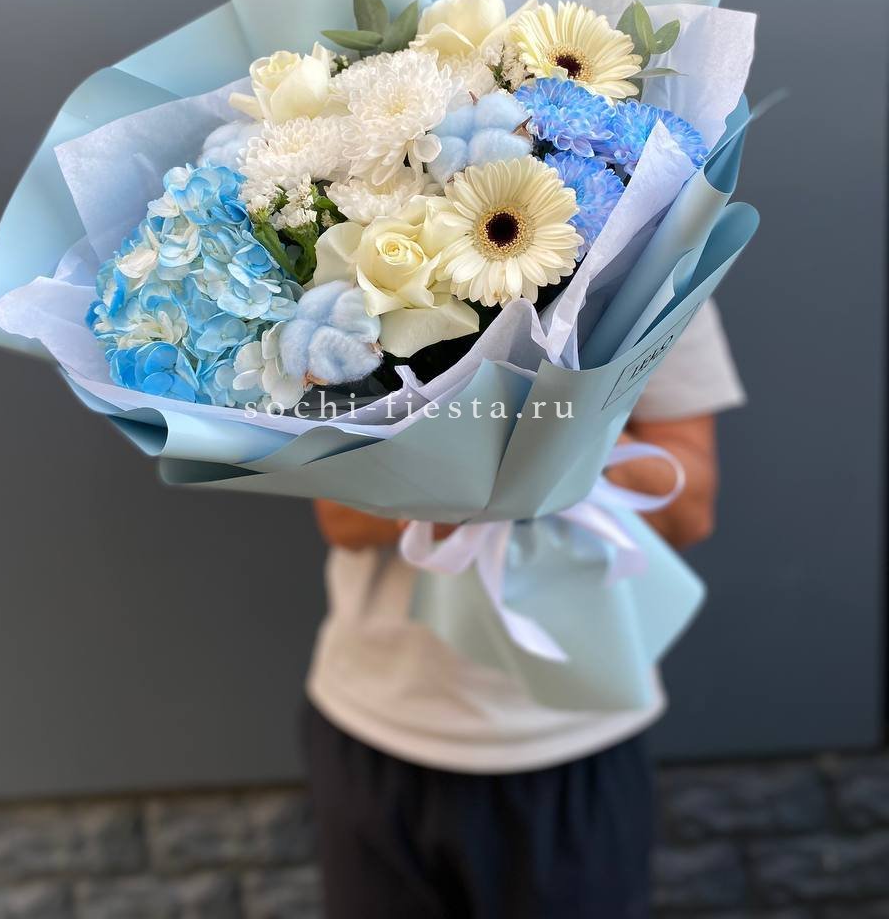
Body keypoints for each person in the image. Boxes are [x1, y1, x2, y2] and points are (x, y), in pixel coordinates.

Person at [304, 300, 745, 919]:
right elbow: (342, 518)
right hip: (378, 725)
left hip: (574, 737)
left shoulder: (653, 276)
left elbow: (687, 507)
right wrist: (498, 451)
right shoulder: (351, 288)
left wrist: (551, 435)